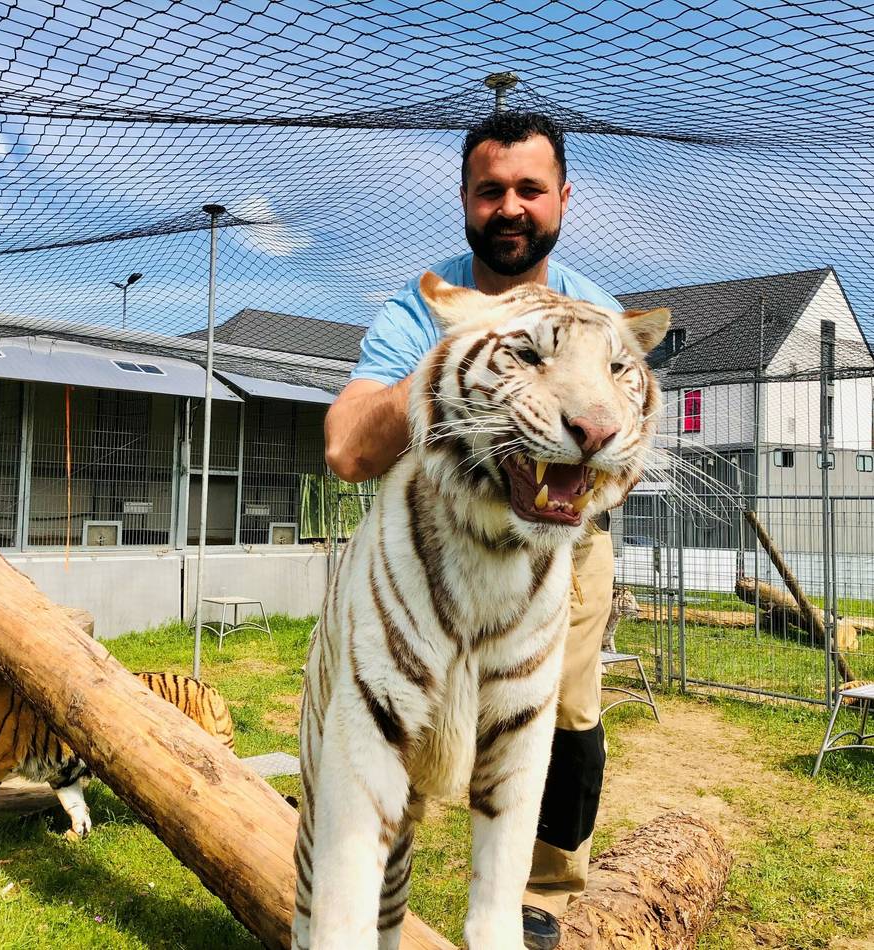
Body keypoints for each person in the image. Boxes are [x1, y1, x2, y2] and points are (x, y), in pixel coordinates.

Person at [324, 111, 618, 949]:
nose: (511, 206)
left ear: (564, 197)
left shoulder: (598, 311)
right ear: (465, 200)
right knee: (393, 728)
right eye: (491, 191)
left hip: (561, 549)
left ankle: (545, 901)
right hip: (433, 556)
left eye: (530, 188)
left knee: (564, 716)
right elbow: (347, 449)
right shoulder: (424, 306)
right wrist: (465, 355)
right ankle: (376, 889)